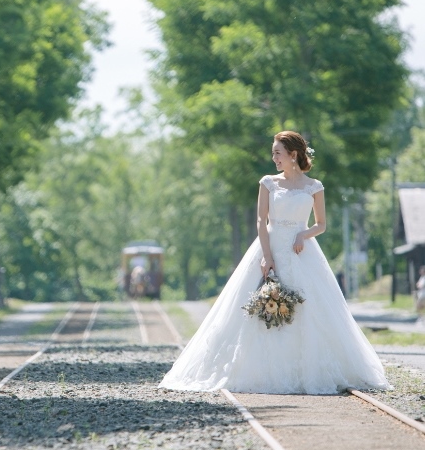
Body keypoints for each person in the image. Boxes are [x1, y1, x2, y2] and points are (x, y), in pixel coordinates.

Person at [160, 131, 389, 394]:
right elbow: (261, 221)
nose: (274, 158)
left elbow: (321, 225)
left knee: (308, 308)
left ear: (293, 155)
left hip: (302, 251)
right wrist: (267, 257)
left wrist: (304, 234)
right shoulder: (269, 183)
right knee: (256, 308)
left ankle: (306, 371)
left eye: (278, 153)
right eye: (273, 153)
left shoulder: (314, 186)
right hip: (270, 245)